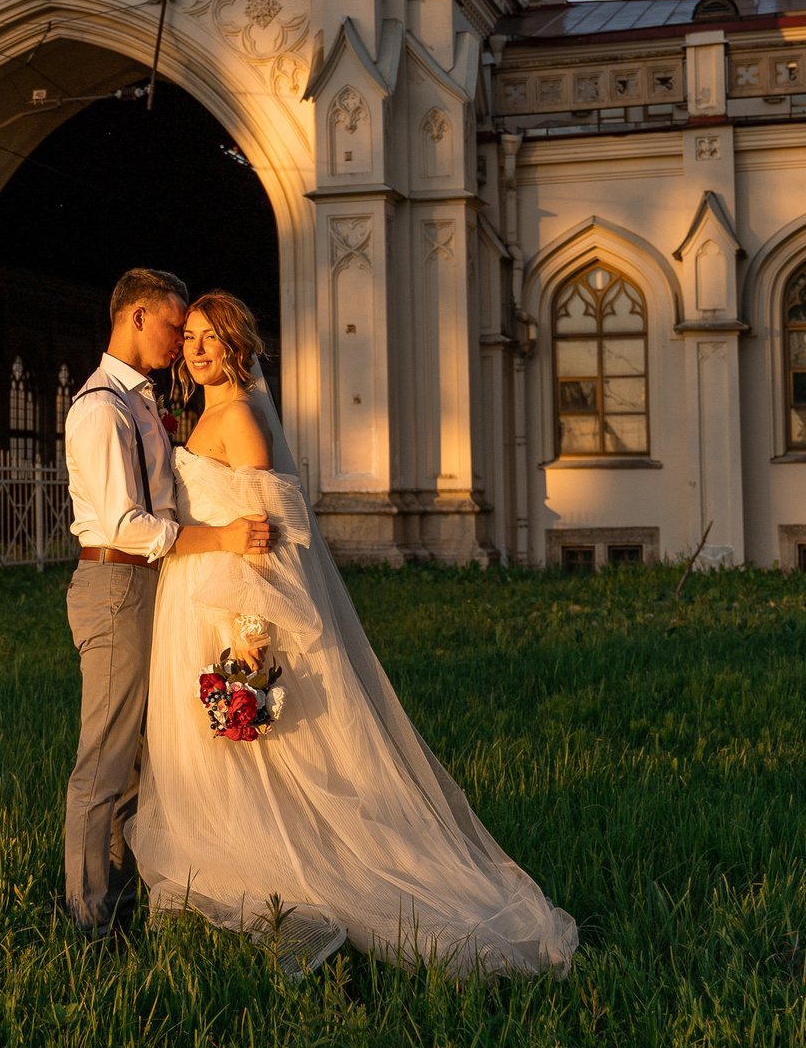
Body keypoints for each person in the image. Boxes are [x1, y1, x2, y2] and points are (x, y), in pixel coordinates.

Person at [130, 290, 579, 978]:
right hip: (197, 593)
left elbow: (268, 538)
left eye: (209, 337)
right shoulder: (212, 411)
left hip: (228, 605)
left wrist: (249, 640)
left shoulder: (243, 417)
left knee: (270, 761)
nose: (195, 348)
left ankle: (304, 885)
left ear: (236, 345)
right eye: (189, 336)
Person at [61, 269, 271, 937]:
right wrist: (220, 536)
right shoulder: (100, 407)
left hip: (152, 585)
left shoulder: (144, 401)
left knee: (140, 760)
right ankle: (89, 916)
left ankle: (124, 895)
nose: (182, 341)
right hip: (117, 582)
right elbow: (126, 524)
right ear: (138, 315)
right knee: (104, 759)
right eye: (176, 326)